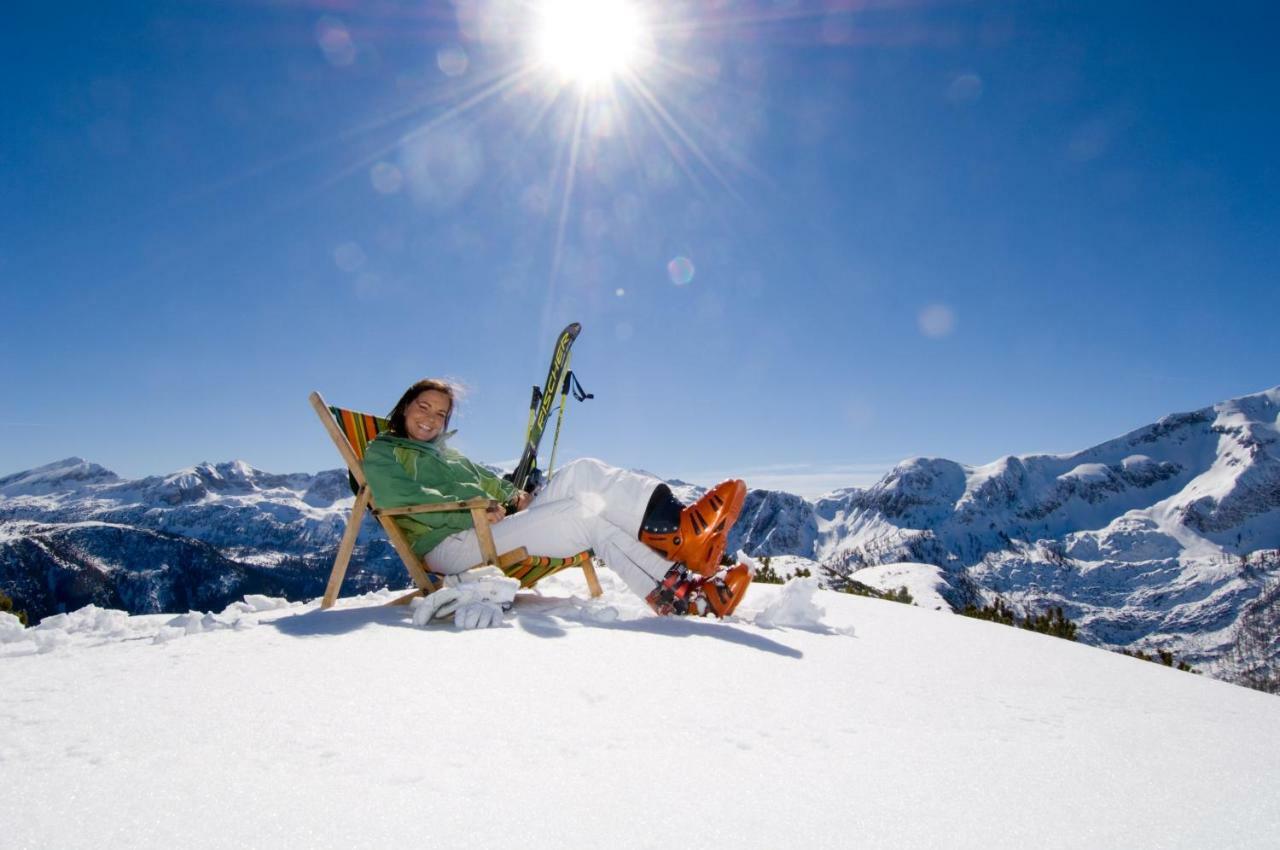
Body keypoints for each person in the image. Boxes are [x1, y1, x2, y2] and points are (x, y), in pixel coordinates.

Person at [362, 378, 752, 628]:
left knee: (580, 473)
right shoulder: (383, 451)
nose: (431, 419)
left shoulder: (449, 457)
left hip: (489, 528)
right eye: (423, 407)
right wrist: (474, 507)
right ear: (405, 407)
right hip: (451, 547)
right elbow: (401, 498)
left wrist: (515, 497)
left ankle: (679, 529)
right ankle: (684, 596)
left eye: (441, 413)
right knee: (581, 517)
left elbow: (493, 486)